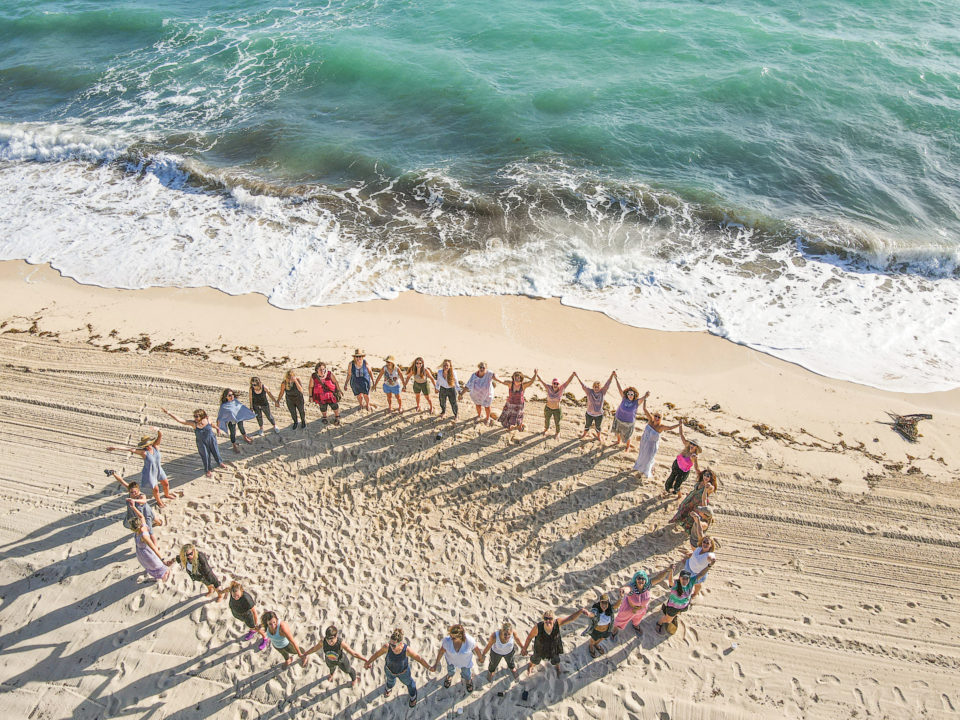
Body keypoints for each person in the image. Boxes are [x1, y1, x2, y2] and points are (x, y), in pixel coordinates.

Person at [106, 428, 176, 508]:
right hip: (149, 472)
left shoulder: (156, 446)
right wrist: (115, 447)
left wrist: (158, 430)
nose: (148, 446)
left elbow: (160, 435)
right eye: (146, 445)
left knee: (166, 484)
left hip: (159, 469)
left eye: (149, 444)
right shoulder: (143, 452)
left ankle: (167, 495)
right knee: (156, 489)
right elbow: (130, 449)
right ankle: (159, 502)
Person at [365, 628, 433, 708]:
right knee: (390, 681)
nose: (391, 646)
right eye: (390, 643)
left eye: (393, 645)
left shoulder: (406, 650)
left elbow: (419, 659)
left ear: (400, 644)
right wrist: (368, 663)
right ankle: (389, 688)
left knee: (410, 684)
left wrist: (429, 667)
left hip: (403, 673)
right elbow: (376, 655)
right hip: (389, 670)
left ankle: (413, 696)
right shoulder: (387, 647)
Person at [162, 407, 230, 477]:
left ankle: (220, 462)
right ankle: (208, 470)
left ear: (202, 416)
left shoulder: (207, 419)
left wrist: (217, 428)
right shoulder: (194, 424)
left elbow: (212, 424)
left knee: (215, 451)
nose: (195, 418)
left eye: (196, 416)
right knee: (205, 456)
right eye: (194, 416)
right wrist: (169, 413)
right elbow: (181, 420)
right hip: (201, 442)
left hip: (211, 438)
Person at [521, 608, 583, 676]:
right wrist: (524, 648)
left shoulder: (557, 623)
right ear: (543, 619)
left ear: (553, 619)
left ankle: (557, 667)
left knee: (556, 659)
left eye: (550, 618)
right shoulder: (538, 627)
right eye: (545, 618)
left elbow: (570, 618)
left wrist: (581, 611)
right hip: (540, 648)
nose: (547, 620)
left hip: (554, 647)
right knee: (535, 659)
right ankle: (531, 665)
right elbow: (529, 637)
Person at [633, 394, 681, 478]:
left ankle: (646, 471)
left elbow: (670, 428)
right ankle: (639, 466)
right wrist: (645, 399)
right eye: (656, 416)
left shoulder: (661, 427)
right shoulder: (650, 420)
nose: (657, 418)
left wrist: (679, 424)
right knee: (641, 455)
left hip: (652, 445)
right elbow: (644, 409)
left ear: (661, 419)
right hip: (644, 441)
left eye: (659, 417)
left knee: (648, 458)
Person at [302, 624, 367, 686]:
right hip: (329, 660)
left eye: (332, 639)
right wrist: (305, 654)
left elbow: (354, 653)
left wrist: (365, 660)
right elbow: (314, 649)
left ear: (336, 636)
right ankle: (332, 674)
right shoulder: (323, 642)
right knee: (331, 668)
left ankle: (354, 679)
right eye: (328, 639)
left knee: (348, 670)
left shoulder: (340, 643)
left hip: (341, 660)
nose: (329, 641)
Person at [612, 568, 670, 635]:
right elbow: (628, 589)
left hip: (642, 609)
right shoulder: (633, 588)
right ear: (635, 579)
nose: (641, 580)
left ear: (645, 580)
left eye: (643, 579)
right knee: (621, 619)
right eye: (639, 578)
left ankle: (635, 625)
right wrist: (623, 590)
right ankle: (615, 628)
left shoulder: (647, 586)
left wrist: (668, 570)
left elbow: (658, 578)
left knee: (638, 619)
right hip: (629, 609)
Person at [431, 624, 482, 693]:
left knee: (467, 673)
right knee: (450, 670)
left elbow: (476, 649)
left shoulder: (469, 641)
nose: (451, 638)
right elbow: (441, 651)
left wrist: (480, 657)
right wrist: (436, 663)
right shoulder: (447, 641)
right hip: (451, 661)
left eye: (453, 638)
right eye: (451, 636)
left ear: (460, 637)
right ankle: (450, 676)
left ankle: (468, 680)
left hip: (465, 663)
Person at [228, 581, 269, 651]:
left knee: (255, 627)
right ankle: (252, 630)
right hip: (238, 614)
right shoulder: (231, 591)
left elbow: (254, 612)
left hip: (247, 616)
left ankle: (265, 638)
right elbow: (227, 590)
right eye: (233, 596)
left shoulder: (246, 598)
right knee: (250, 626)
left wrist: (256, 624)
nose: (235, 597)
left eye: (238, 595)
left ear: (241, 591)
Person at [575, 371, 615, 443]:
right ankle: (584, 434)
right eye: (595, 387)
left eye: (598, 387)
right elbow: (582, 384)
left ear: (600, 387)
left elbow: (607, 384)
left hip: (599, 415)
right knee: (587, 425)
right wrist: (577, 376)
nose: (596, 388)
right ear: (593, 387)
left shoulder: (602, 392)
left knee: (598, 427)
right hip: (589, 414)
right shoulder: (589, 392)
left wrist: (612, 375)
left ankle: (598, 436)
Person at [662, 424, 701, 497]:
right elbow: (681, 435)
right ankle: (669, 490)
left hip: (683, 471)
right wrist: (680, 425)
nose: (692, 445)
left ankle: (679, 495)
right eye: (691, 443)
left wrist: (700, 475)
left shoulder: (694, 456)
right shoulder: (686, 447)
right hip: (676, 465)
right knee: (669, 482)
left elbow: (696, 467)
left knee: (677, 485)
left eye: (694, 445)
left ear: (696, 447)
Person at [581, 592, 623, 657]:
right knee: (593, 640)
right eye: (602, 603)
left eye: (606, 603)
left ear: (608, 603)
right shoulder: (596, 610)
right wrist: (588, 613)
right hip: (596, 631)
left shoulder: (610, 609)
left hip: (607, 630)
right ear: (599, 603)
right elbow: (593, 614)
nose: (604, 605)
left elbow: (616, 605)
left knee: (602, 638)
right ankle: (591, 646)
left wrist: (621, 597)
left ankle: (596, 645)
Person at [656, 568, 696, 635]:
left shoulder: (690, 583)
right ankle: (659, 623)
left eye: (687, 578)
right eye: (683, 578)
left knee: (677, 613)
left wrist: (709, 566)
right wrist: (671, 571)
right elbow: (670, 581)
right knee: (667, 620)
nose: (685, 580)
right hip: (673, 607)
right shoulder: (675, 584)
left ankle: (672, 614)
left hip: (683, 606)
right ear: (680, 578)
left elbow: (701, 575)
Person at [534, 372, 574, 437]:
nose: (555, 385)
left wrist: (573, 375)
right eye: (554, 383)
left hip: (557, 410)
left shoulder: (561, 389)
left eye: (557, 383)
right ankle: (546, 429)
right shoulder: (548, 388)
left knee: (557, 422)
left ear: (559, 384)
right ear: (552, 383)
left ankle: (557, 432)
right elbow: (541, 380)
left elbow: (568, 381)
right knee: (547, 420)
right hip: (548, 408)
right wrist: (536, 373)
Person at [130, 517, 170, 582]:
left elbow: (153, 548)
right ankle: (161, 577)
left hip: (144, 554)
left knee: (153, 566)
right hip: (144, 554)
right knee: (154, 566)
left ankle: (163, 575)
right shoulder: (141, 533)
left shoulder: (140, 534)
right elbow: (141, 516)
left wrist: (162, 559)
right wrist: (133, 507)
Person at [217, 388, 255, 453]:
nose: (232, 396)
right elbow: (220, 417)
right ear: (226, 397)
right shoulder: (224, 406)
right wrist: (218, 428)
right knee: (233, 433)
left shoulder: (235, 401)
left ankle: (245, 437)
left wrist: (249, 411)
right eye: (229, 395)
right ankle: (234, 445)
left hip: (239, 418)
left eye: (232, 395)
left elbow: (241, 407)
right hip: (231, 421)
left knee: (241, 428)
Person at [681, 535, 718, 600]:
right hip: (689, 567)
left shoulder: (709, 554)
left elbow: (711, 558)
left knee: (697, 585)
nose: (705, 544)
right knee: (685, 580)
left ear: (711, 545)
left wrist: (712, 560)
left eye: (708, 543)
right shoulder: (699, 548)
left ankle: (695, 593)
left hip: (697, 574)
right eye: (704, 542)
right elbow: (694, 554)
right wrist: (689, 556)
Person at [611, 379, 641, 452]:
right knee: (617, 431)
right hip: (618, 418)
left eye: (631, 394)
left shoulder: (636, 402)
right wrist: (615, 379)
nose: (630, 396)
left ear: (634, 395)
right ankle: (618, 441)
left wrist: (646, 395)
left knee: (627, 435)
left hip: (629, 422)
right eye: (628, 394)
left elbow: (644, 398)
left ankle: (627, 447)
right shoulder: (624, 398)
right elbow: (619, 388)